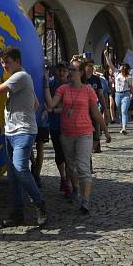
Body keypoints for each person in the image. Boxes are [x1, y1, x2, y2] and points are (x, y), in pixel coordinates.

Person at [0, 47, 47, 227]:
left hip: (23, 132)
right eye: (2, 63)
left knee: (20, 169)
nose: (4, 66)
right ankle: (17, 214)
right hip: (11, 132)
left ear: (18, 62)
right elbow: (35, 103)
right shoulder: (22, 77)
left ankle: (40, 203)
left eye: (7, 62)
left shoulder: (20, 77)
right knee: (13, 176)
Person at [47, 61, 111, 214]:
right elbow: (51, 104)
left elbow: (95, 113)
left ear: (81, 72)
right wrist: (44, 86)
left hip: (84, 133)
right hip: (67, 133)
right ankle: (75, 188)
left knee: (83, 167)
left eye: (73, 69)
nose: (70, 71)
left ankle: (85, 201)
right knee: (71, 166)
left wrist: (105, 131)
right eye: (70, 69)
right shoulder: (63, 89)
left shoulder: (88, 90)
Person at [46, 62, 71, 198]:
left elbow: (69, 107)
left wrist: (54, 110)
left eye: (64, 70)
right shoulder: (51, 84)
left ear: (67, 72)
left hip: (67, 125)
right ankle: (63, 177)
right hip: (55, 124)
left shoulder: (70, 86)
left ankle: (68, 182)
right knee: (59, 153)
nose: (61, 73)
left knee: (67, 155)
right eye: (59, 70)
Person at [104, 48, 133, 134]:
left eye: (121, 66)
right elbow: (110, 65)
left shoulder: (128, 77)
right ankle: (122, 125)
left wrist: (132, 94)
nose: (120, 67)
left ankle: (124, 127)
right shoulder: (116, 73)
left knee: (124, 111)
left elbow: (130, 86)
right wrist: (106, 56)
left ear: (124, 68)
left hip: (126, 94)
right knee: (120, 111)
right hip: (117, 94)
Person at [31, 67, 51, 188]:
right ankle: (34, 164)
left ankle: (37, 174)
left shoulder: (48, 81)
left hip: (42, 118)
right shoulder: (27, 76)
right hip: (31, 117)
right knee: (29, 148)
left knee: (40, 147)